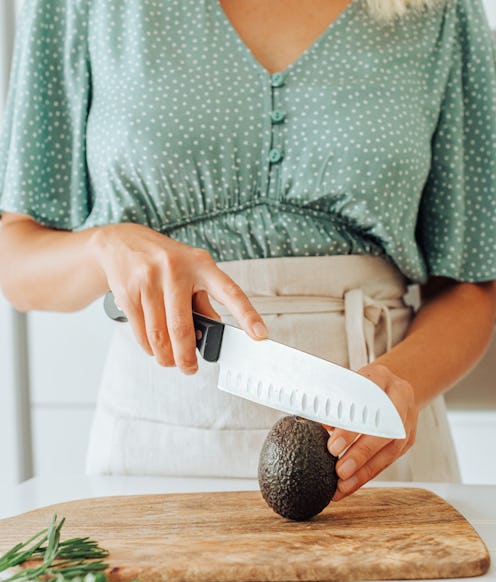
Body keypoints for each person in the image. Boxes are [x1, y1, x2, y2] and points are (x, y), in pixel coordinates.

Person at [0, 0, 495, 498]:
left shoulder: (442, 12)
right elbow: (16, 259)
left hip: (374, 453)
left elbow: (472, 281)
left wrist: (400, 381)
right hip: (154, 452)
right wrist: (105, 248)